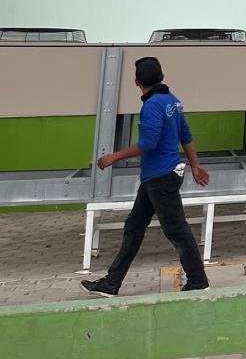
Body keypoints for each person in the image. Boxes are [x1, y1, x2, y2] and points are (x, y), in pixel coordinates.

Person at [80, 56, 210, 296]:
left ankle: (198, 280)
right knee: (134, 227)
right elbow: (186, 135)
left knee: (176, 230)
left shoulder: (152, 105)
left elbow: (148, 143)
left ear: (136, 81)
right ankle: (111, 283)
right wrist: (195, 165)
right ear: (161, 77)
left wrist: (114, 157)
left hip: (161, 177)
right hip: (157, 177)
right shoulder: (173, 101)